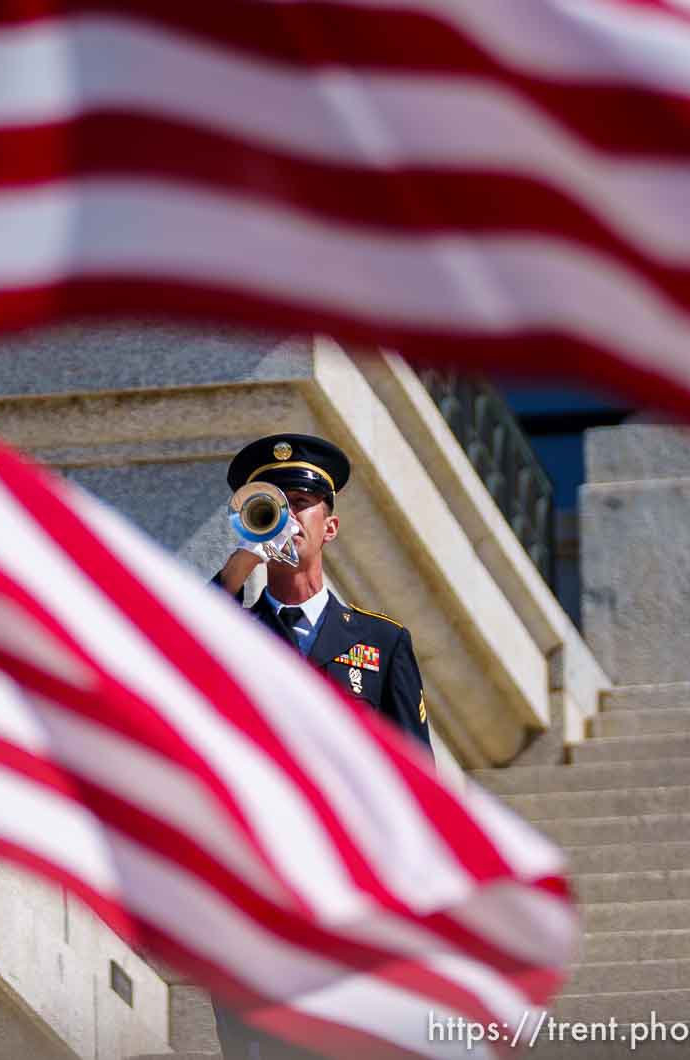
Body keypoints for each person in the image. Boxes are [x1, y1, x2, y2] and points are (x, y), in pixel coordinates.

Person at [209, 433, 431, 1060]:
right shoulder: (228, 629)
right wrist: (241, 563)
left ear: (328, 525)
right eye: (268, 500)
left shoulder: (382, 643)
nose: (285, 512)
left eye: (300, 501)